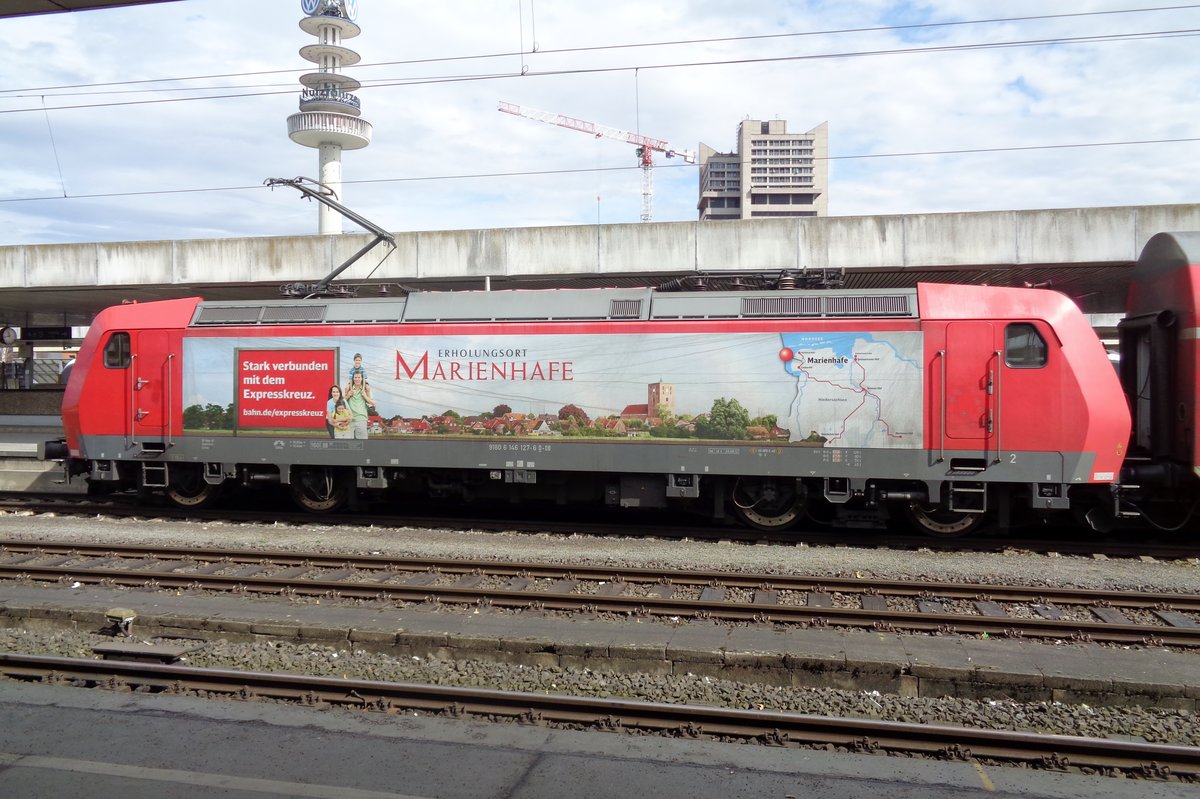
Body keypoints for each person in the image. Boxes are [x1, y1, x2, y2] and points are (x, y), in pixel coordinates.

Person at [344, 371, 374, 439]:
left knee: (363, 444)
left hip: (361, 419)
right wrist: (348, 395)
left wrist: (365, 395)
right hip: (349, 419)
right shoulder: (348, 389)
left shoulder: (366, 389)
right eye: (355, 377)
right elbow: (342, 403)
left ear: (362, 379)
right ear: (353, 379)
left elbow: (370, 403)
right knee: (348, 443)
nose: (357, 379)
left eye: (359, 377)